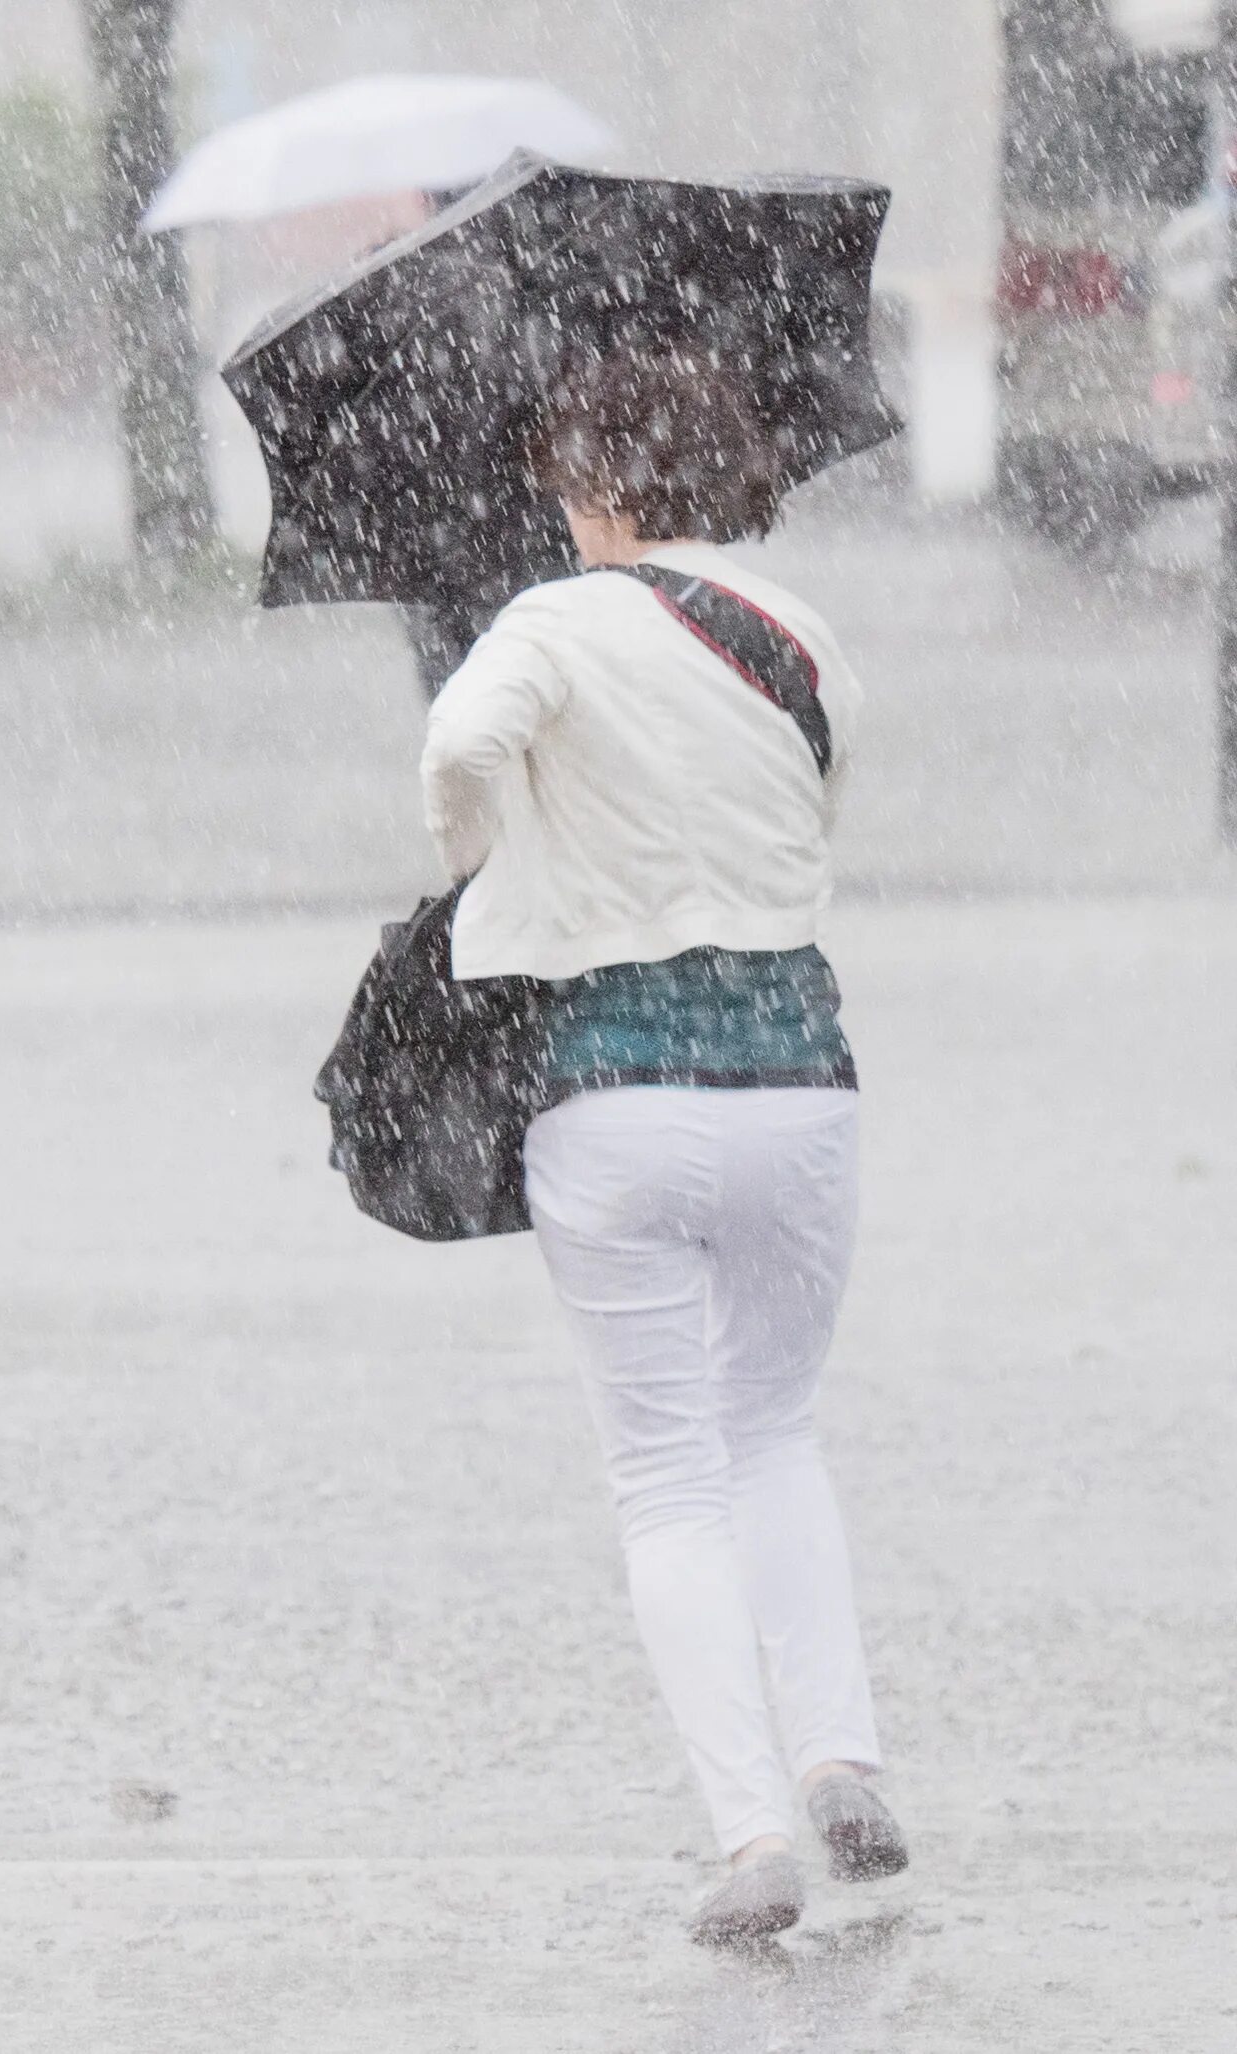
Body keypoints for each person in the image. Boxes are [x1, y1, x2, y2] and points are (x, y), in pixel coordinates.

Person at [420, 349, 909, 1946]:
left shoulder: (555, 623)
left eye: (572, 486)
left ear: (609, 490)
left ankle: (753, 1833)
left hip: (614, 1087)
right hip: (799, 1083)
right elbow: (823, 807)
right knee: (776, 1430)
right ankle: (845, 1753)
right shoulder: (799, 629)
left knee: (665, 1474)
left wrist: (492, 860)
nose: (565, 516)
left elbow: (458, 749)